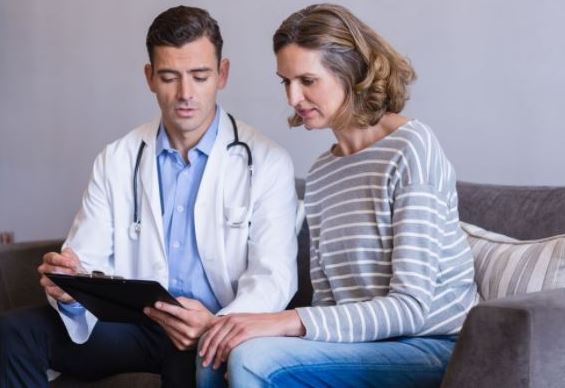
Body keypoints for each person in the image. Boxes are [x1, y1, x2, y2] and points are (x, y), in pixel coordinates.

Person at [0, 5, 298, 388]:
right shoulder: (117, 158)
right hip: (132, 326)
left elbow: (274, 276)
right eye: (170, 77)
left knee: (190, 363)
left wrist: (216, 324)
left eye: (200, 76)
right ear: (150, 78)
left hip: (214, 324)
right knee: (14, 333)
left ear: (222, 75)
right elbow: (85, 259)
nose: (185, 93)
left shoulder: (267, 161)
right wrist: (69, 285)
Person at [197, 3, 479, 387]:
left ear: (350, 72)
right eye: (286, 81)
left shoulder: (412, 148)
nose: (293, 97)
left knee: (251, 356)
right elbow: (330, 305)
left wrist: (284, 321)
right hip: (365, 346)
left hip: (433, 347)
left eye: (307, 81)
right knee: (214, 352)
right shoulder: (322, 174)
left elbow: (412, 308)